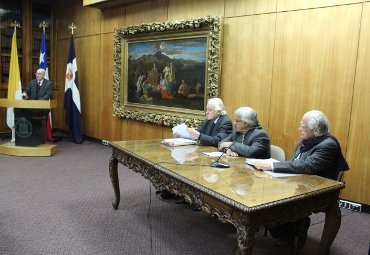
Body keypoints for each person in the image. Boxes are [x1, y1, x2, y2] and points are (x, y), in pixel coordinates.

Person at [254, 110, 349, 248]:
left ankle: (293, 229)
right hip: (298, 183)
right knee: (264, 198)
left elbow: (306, 166)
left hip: (316, 190)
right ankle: (292, 228)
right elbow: (295, 163)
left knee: (272, 207)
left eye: (303, 126)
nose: (299, 129)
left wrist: (273, 165)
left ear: (315, 129)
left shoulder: (328, 144)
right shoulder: (306, 141)